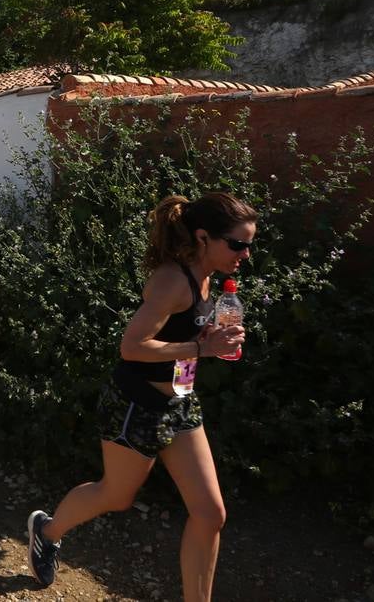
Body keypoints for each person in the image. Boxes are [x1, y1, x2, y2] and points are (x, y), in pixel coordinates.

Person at [26, 192, 256, 602]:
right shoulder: (173, 280)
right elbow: (132, 347)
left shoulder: (208, 278)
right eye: (237, 244)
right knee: (115, 495)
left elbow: (178, 339)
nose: (245, 254)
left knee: (210, 514)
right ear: (204, 237)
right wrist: (202, 349)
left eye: (249, 244)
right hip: (137, 404)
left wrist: (205, 340)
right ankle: (46, 530)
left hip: (180, 403)